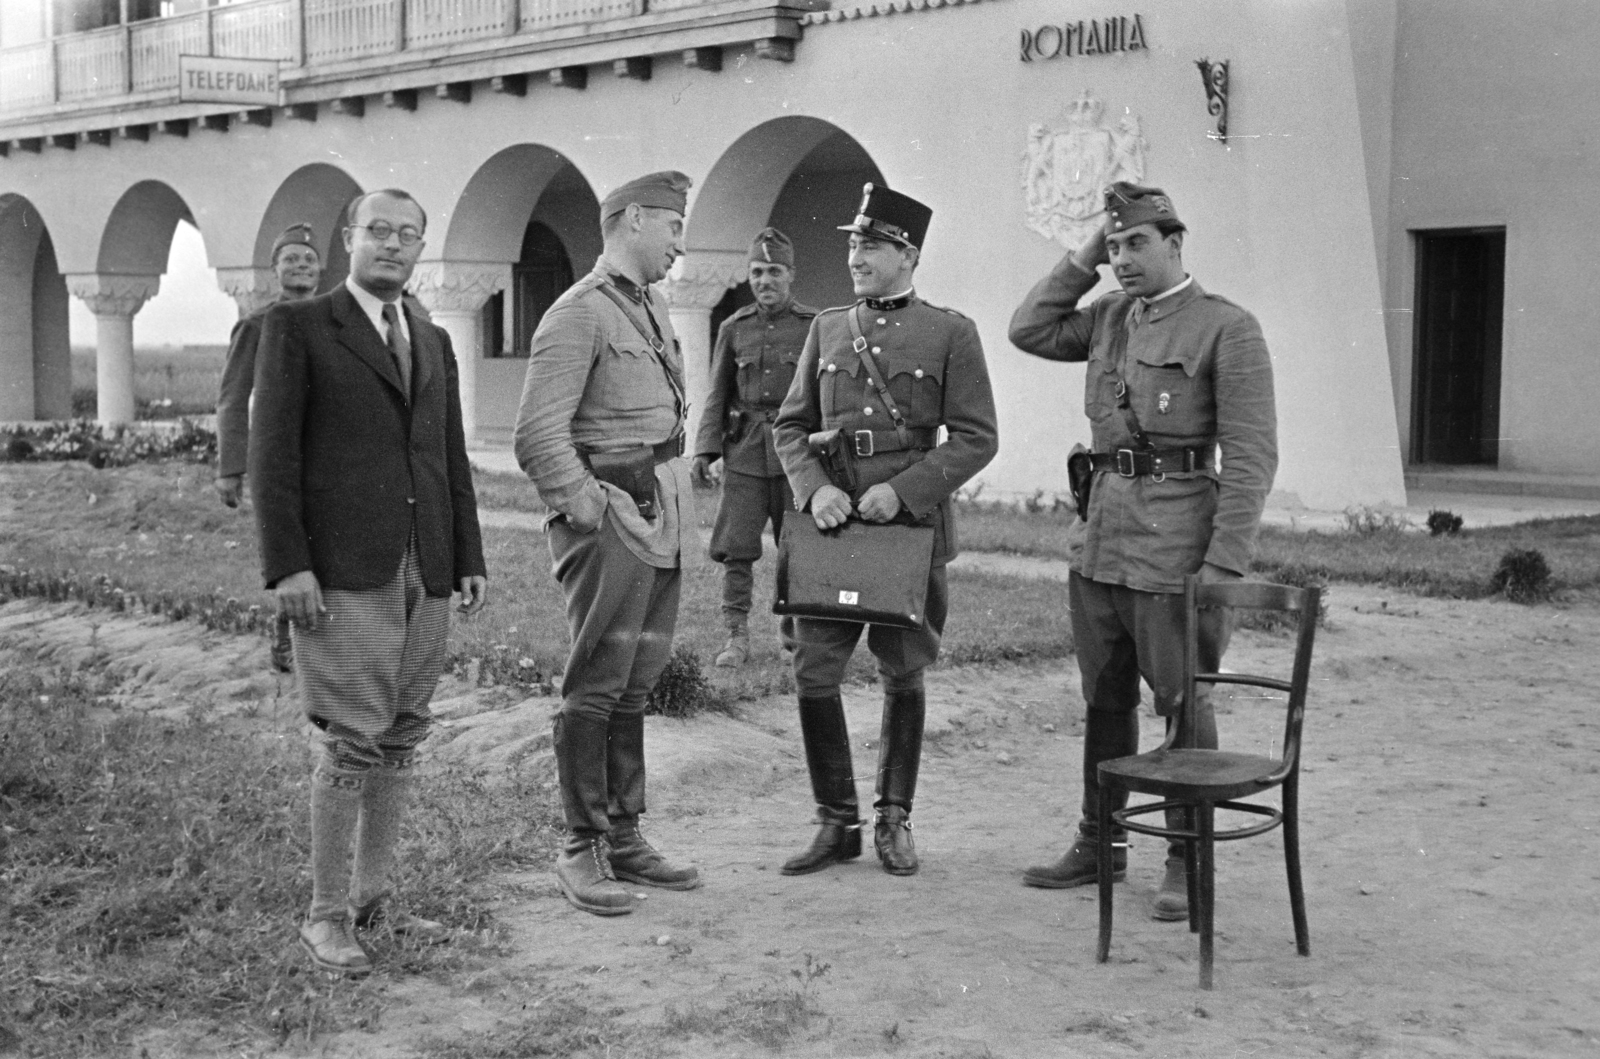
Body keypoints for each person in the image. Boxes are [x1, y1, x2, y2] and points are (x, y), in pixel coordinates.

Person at [1007, 181, 1277, 920]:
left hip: (1175, 542)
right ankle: (1102, 840)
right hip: (1101, 537)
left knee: (1182, 697)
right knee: (1105, 696)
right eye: (1115, 245)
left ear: (1176, 243)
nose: (1123, 258)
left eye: (1136, 244)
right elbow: (1028, 328)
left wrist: (1223, 565)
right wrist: (1084, 255)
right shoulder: (1107, 318)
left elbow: (1251, 459)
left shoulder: (1227, 328)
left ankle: (1185, 853)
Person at [251, 188, 489, 976]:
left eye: (408, 234)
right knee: (351, 738)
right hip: (343, 570)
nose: (392, 244)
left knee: (403, 733)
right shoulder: (298, 328)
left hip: (428, 562)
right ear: (348, 237)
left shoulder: (430, 335)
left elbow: (447, 456)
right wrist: (287, 564)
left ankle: (371, 899)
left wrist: (469, 557)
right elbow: (272, 457)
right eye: (377, 230)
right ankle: (324, 916)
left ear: (422, 247)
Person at [772, 184, 998, 877]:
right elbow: (787, 427)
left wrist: (900, 492)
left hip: (908, 532)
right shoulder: (828, 328)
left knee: (904, 669)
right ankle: (834, 820)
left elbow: (976, 437)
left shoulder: (950, 332)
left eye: (871, 245)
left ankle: (893, 819)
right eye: (852, 243)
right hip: (835, 526)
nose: (855, 256)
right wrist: (816, 492)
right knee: (815, 670)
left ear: (909, 254)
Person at [513, 171, 703, 917]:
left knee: (634, 678)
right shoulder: (578, 313)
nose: (681, 248)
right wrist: (587, 506)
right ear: (630, 221)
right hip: (612, 515)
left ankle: (624, 832)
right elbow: (536, 434)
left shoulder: (649, 305)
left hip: (662, 509)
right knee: (595, 682)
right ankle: (580, 845)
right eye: (672, 229)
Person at [692, 227, 818, 668]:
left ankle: (794, 634)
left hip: (796, 457)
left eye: (774, 272)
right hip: (744, 452)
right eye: (757, 272)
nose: (765, 280)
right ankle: (735, 636)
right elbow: (717, 393)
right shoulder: (734, 328)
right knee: (736, 548)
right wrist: (705, 450)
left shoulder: (813, 327)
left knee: (798, 547)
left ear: (791, 276)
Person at [215, 223, 322, 673]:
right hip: (277, 455)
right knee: (289, 544)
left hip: (326, 453)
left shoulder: (330, 318)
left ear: (320, 269)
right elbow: (232, 396)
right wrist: (230, 467)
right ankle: (285, 640)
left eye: (308, 259)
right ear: (275, 269)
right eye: (291, 259)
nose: (300, 266)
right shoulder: (258, 323)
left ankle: (321, 641)